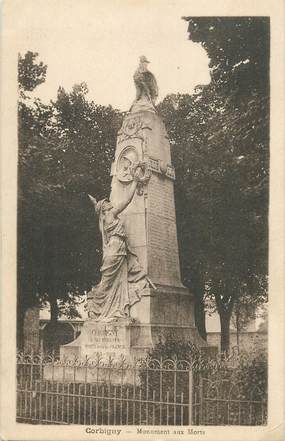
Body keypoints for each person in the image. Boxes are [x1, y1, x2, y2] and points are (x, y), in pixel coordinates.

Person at [87, 163, 152, 322]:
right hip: (116, 250)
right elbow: (127, 200)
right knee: (109, 282)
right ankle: (98, 308)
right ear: (104, 208)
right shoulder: (110, 214)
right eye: (107, 202)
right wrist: (135, 182)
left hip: (114, 250)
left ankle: (99, 307)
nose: (110, 203)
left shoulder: (104, 219)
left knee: (109, 282)